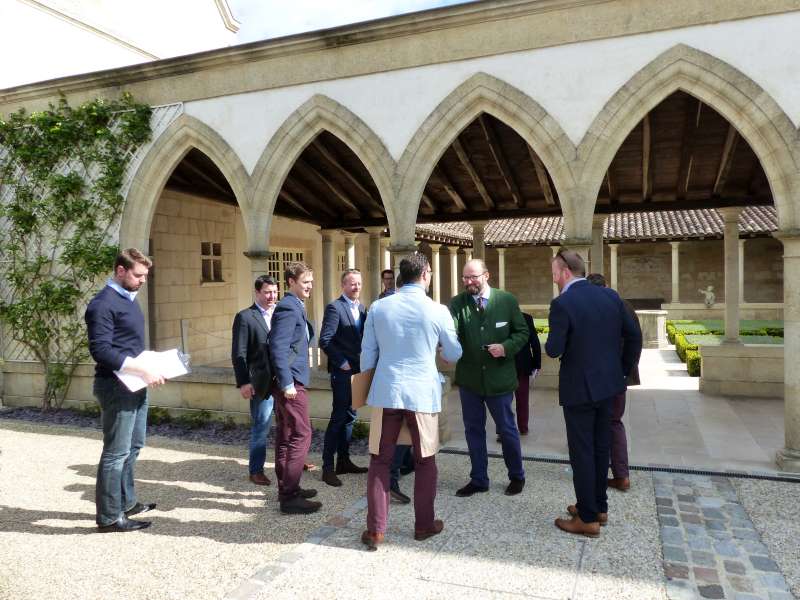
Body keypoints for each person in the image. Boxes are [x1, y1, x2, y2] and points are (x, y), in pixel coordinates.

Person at [359, 253, 462, 549]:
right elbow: (454, 353)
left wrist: (364, 388)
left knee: (380, 459)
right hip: (421, 393)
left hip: (386, 390)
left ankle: (376, 529)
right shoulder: (437, 309)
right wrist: (442, 351)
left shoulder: (379, 307)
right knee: (425, 459)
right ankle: (424, 524)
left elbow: (367, 355)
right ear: (426, 274)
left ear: (401, 276)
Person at [546, 250, 641, 537]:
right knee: (601, 448)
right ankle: (599, 506)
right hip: (609, 386)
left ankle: (587, 519)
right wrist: (623, 371)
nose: (553, 277)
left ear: (564, 272)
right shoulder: (610, 296)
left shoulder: (563, 303)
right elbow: (634, 335)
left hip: (579, 389)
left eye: (553, 271)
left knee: (582, 452)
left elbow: (553, 349)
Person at [85, 248, 165, 533]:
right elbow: (101, 350)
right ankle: (108, 517)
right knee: (115, 453)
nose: (143, 280)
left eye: (145, 275)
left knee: (133, 447)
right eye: (138, 275)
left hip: (134, 383)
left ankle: (128, 502)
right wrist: (141, 369)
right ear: (120, 271)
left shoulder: (127, 299)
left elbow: (125, 344)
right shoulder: (103, 304)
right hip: (116, 387)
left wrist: (150, 362)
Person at [449, 259, 529, 497]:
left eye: (473, 277)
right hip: (469, 381)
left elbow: (522, 332)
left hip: (500, 380)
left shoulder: (506, 300)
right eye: (465, 278)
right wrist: (446, 348)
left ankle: (517, 476)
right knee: (473, 430)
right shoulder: (457, 303)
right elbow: (450, 333)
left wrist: (505, 347)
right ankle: (479, 479)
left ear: (487, 275)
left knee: (507, 430)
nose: (468, 282)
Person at [268, 261, 321, 515]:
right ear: (291, 282)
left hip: (291, 380)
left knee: (288, 433)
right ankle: (289, 495)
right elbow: (277, 347)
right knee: (302, 434)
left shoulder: (294, 305)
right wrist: (287, 383)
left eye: (311, 281)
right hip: (291, 383)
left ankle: (287, 488)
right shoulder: (288, 307)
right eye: (305, 282)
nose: (310, 286)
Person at [586, 273, 641, 492]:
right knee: (613, 422)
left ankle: (595, 474)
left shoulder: (591, 306)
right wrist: (624, 370)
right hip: (617, 375)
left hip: (598, 375)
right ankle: (621, 474)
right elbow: (635, 340)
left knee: (594, 422)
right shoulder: (624, 305)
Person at [319, 268, 369, 487]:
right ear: (343, 286)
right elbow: (325, 340)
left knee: (351, 417)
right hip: (342, 372)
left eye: (358, 283)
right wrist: (341, 362)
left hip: (358, 371)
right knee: (339, 417)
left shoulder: (362, 308)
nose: (356, 287)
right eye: (351, 283)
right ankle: (327, 468)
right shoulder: (334, 308)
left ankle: (344, 461)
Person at [231, 275, 279, 486]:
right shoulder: (245, 317)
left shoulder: (281, 313)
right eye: (267, 292)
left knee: (288, 424)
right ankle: (256, 470)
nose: (272, 296)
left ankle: (288, 462)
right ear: (257, 292)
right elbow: (238, 353)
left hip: (283, 380)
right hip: (261, 382)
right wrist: (243, 382)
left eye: (275, 292)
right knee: (262, 426)